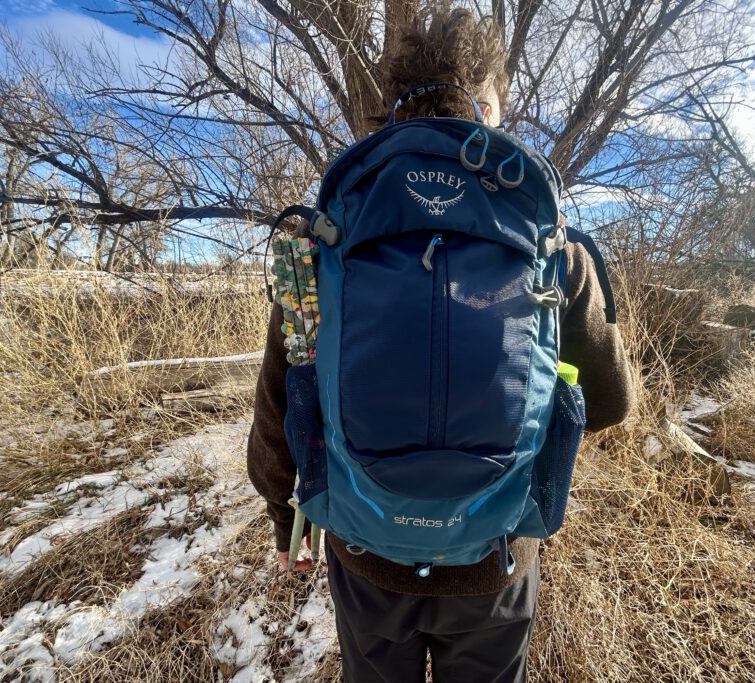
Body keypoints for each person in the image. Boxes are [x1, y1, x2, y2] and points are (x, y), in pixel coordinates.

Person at [247, 7, 636, 682]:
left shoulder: (322, 243)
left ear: (395, 113)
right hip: (496, 551)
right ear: (486, 108)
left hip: (365, 548)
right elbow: (609, 403)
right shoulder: (554, 249)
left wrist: (288, 519)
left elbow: (281, 402)